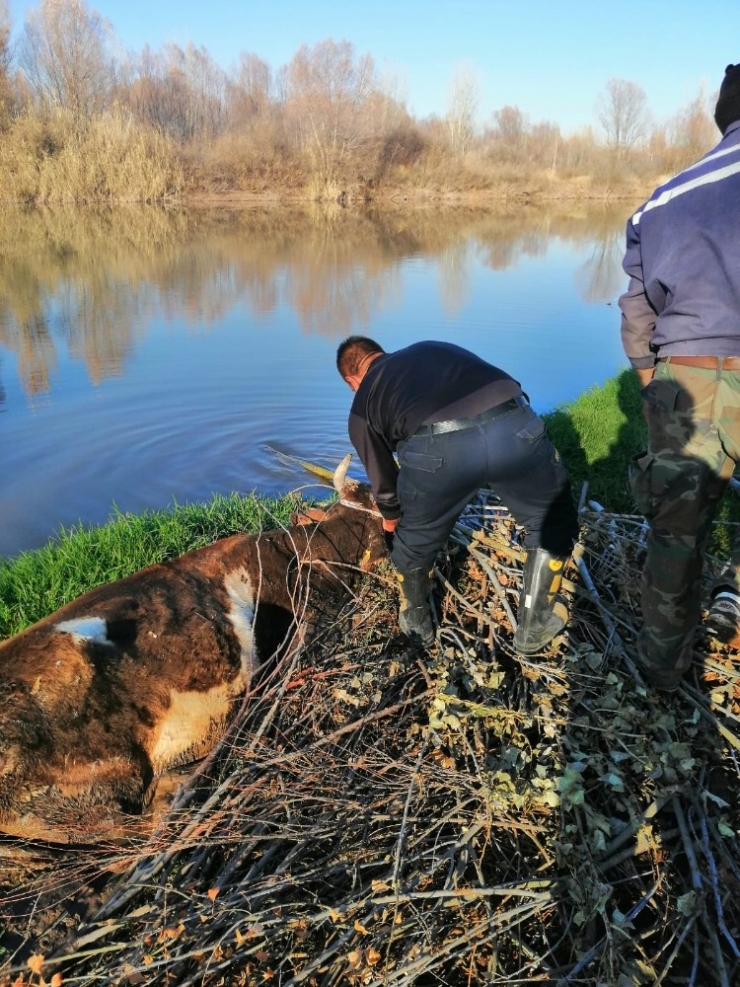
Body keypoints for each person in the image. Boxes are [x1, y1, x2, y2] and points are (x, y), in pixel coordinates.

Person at [336, 336, 579, 652]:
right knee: (552, 519)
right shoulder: (432, 348)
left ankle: (417, 630)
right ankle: (535, 625)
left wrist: (395, 528)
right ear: (380, 352)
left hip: (440, 453)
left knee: (414, 544)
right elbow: (504, 379)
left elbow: (386, 487)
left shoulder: (362, 404)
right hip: (514, 425)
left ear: (351, 380)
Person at [618, 62, 740, 691]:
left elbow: (637, 311)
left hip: (686, 374)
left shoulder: (662, 198)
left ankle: (664, 677)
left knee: (676, 537)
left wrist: (650, 382)